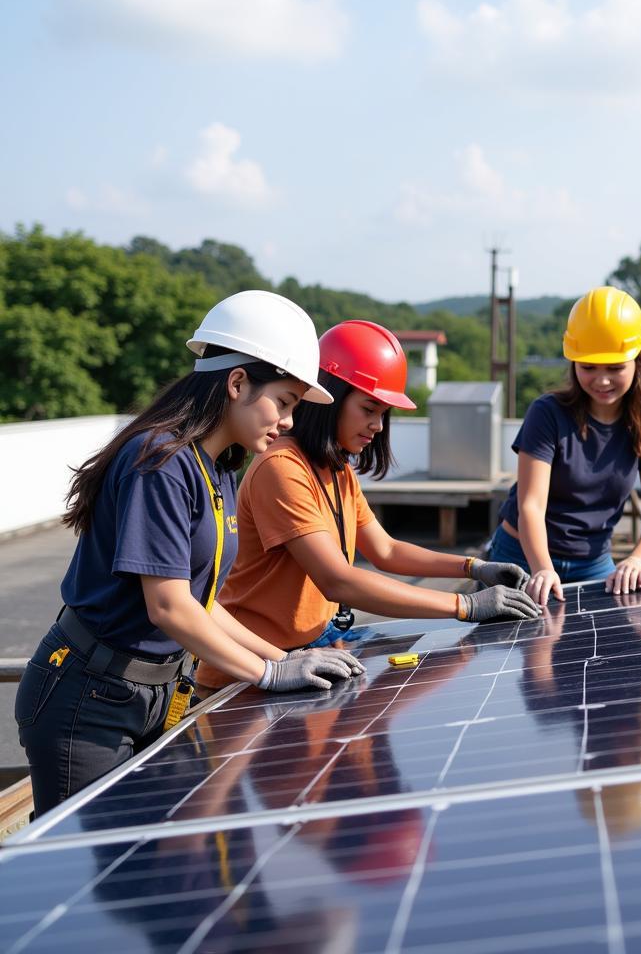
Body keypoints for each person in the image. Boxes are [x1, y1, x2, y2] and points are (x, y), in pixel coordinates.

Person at [15, 291, 366, 816]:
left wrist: (284, 658)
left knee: (164, 868)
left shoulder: (218, 466)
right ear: (238, 382)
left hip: (152, 693)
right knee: (85, 878)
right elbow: (168, 607)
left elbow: (200, 601)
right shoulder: (159, 460)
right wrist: (268, 675)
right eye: (286, 402)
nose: (290, 421)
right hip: (86, 701)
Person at [195, 320, 540, 689]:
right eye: (368, 408)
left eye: (383, 414)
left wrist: (474, 567)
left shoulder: (336, 469)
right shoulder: (282, 468)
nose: (377, 425)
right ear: (330, 398)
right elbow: (338, 581)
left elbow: (385, 550)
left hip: (311, 660)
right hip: (254, 675)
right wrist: (465, 607)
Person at [491, 286, 641, 606]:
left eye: (615, 368)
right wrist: (542, 570)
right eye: (588, 367)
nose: (602, 380)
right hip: (522, 557)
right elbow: (530, 506)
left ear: (637, 361)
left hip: (593, 563)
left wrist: (637, 559)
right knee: (528, 653)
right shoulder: (547, 413)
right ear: (573, 362)